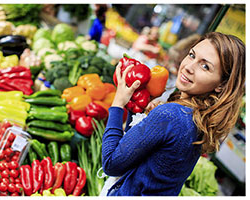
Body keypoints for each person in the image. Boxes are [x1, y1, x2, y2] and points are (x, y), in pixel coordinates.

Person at [101, 32, 245, 196]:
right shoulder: (199, 119)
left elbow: (111, 163)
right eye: (192, 55)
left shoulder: (171, 115)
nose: (189, 67)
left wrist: (118, 104)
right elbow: (136, 152)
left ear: (221, 85)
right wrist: (140, 112)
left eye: (205, 66)